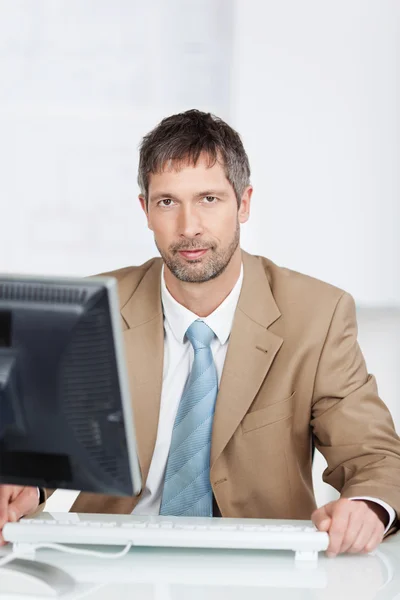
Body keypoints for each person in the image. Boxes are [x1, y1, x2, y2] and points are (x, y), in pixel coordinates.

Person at [1, 110, 400, 558]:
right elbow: (51, 447)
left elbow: (374, 457)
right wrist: (27, 483)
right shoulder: (97, 306)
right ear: (145, 210)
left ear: (244, 203)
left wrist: (368, 506)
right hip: (111, 557)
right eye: (167, 202)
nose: (188, 226)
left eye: (209, 199)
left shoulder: (317, 315)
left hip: (262, 569)